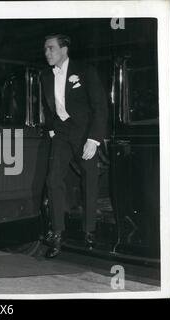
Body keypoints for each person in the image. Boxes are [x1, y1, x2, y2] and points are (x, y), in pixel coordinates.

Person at [40, 34, 108, 258]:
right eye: (46, 50)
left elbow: (100, 107)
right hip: (61, 133)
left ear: (64, 49)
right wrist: (51, 129)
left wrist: (94, 139)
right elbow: (48, 106)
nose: (47, 53)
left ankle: (90, 230)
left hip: (85, 134)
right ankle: (57, 232)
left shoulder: (85, 71)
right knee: (53, 179)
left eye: (51, 48)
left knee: (89, 178)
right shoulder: (45, 76)